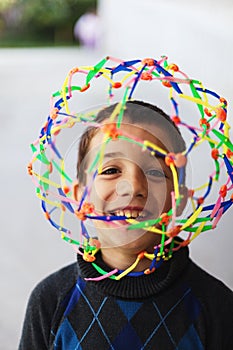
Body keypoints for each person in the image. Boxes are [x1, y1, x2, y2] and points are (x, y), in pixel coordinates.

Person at [19, 100, 233, 349]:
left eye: (154, 172)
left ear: (178, 200)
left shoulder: (215, 305)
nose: (132, 186)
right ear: (80, 196)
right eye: (110, 170)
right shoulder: (51, 301)